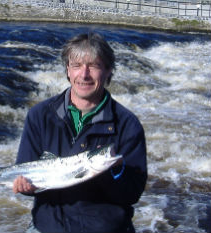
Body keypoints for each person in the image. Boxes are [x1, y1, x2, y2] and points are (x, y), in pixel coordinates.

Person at [13, 33, 147, 233]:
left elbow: (131, 195)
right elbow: (25, 172)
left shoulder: (128, 124)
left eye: (94, 65)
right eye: (76, 65)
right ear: (68, 70)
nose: (84, 75)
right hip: (48, 227)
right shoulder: (39, 115)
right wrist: (26, 188)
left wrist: (110, 173)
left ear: (109, 71)